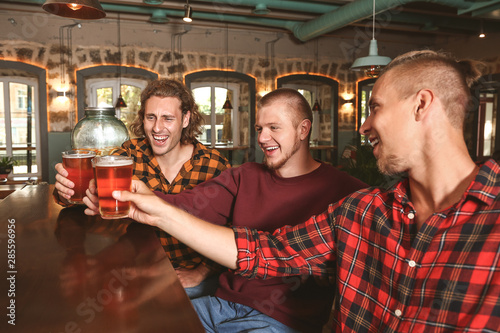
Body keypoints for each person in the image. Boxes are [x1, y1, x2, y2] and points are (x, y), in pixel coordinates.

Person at [105, 50, 500, 332]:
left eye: (375, 107)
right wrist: (151, 207)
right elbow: (267, 252)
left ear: (421, 106)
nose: (362, 127)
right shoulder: (362, 210)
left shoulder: (352, 196)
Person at [85, 88, 367, 332]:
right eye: (259, 129)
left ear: (303, 129)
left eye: (274, 128)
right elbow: (187, 205)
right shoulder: (244, 175)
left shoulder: (349, 193)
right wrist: (139, 198)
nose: (263, 138)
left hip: (280, 321)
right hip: (222, 303)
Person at [54, 78, 231, 299]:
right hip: (138, 267)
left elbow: (237, 229)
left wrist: (201, 273)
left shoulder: (214, 165)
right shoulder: (130, 155)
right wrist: (65, 189)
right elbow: (92, 184)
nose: (157, 128)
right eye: (151, 117)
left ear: (186, 119)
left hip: (194, 276)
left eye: (168, 118)